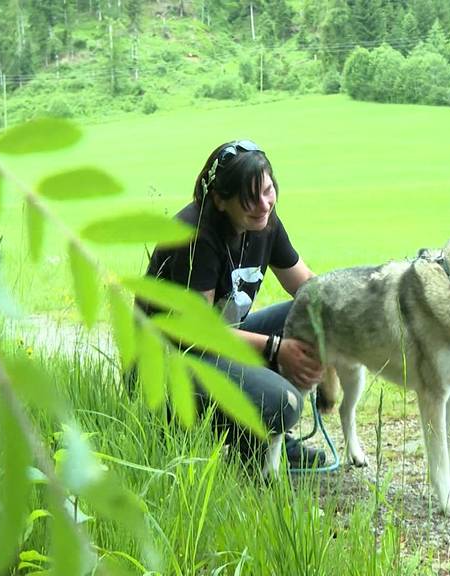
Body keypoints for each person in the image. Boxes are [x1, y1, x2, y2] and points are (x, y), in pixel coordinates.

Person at [137, 139, 327, 469]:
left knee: (315, 313)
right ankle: (253, 451)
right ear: (220, 201)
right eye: (249, 199)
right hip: (169, 364)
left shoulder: (265, 223)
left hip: (217, 345)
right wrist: (275, 348)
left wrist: (345, 316)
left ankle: (269, 439)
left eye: (268, 190)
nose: (264, 205)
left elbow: (307, 286)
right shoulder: (194, 236)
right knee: (282, 403)